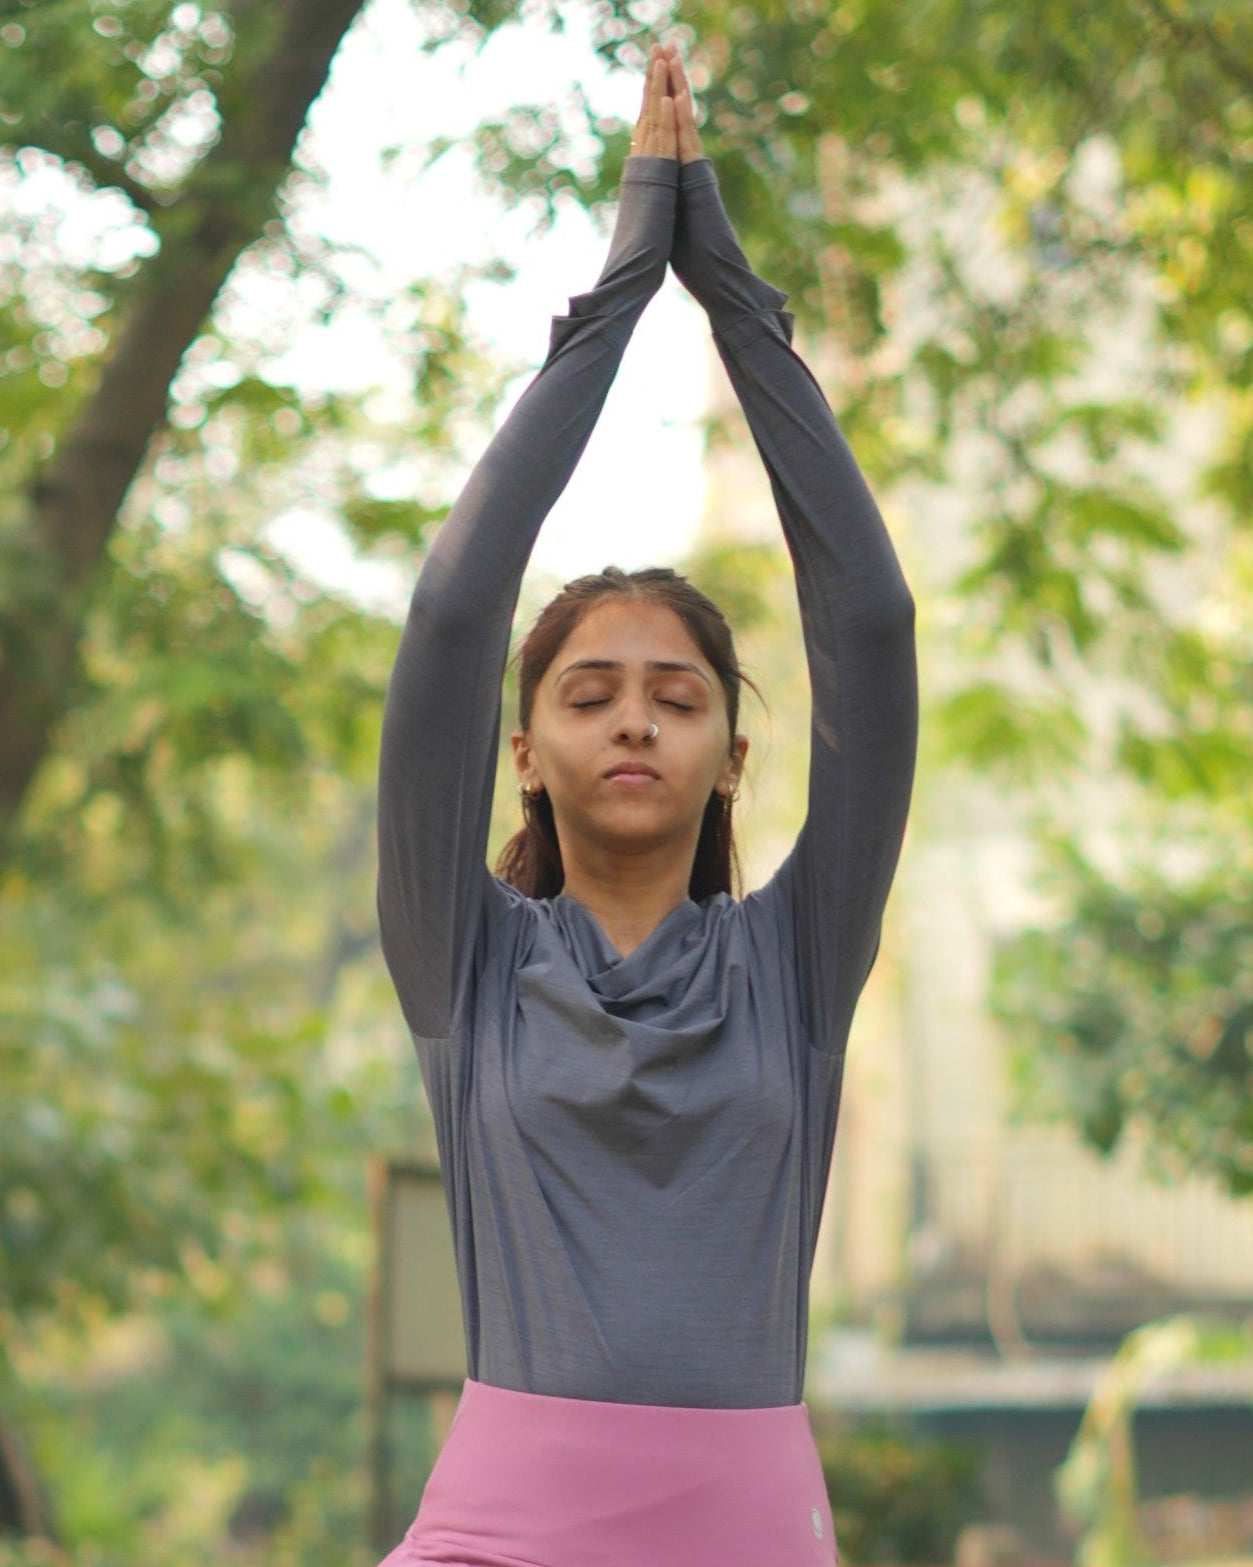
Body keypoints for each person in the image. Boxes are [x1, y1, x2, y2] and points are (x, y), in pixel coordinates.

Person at [375, 38, 917, 1567]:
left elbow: (868, 629)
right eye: (588, 693)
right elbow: (449, 617)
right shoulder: (462, 962)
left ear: (733, 758)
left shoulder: (794, 968)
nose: (635, 721)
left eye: (679, 698)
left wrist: (728, 295)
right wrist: (620, 290)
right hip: (497, 1529)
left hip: (746, 1531)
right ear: (524, 752)